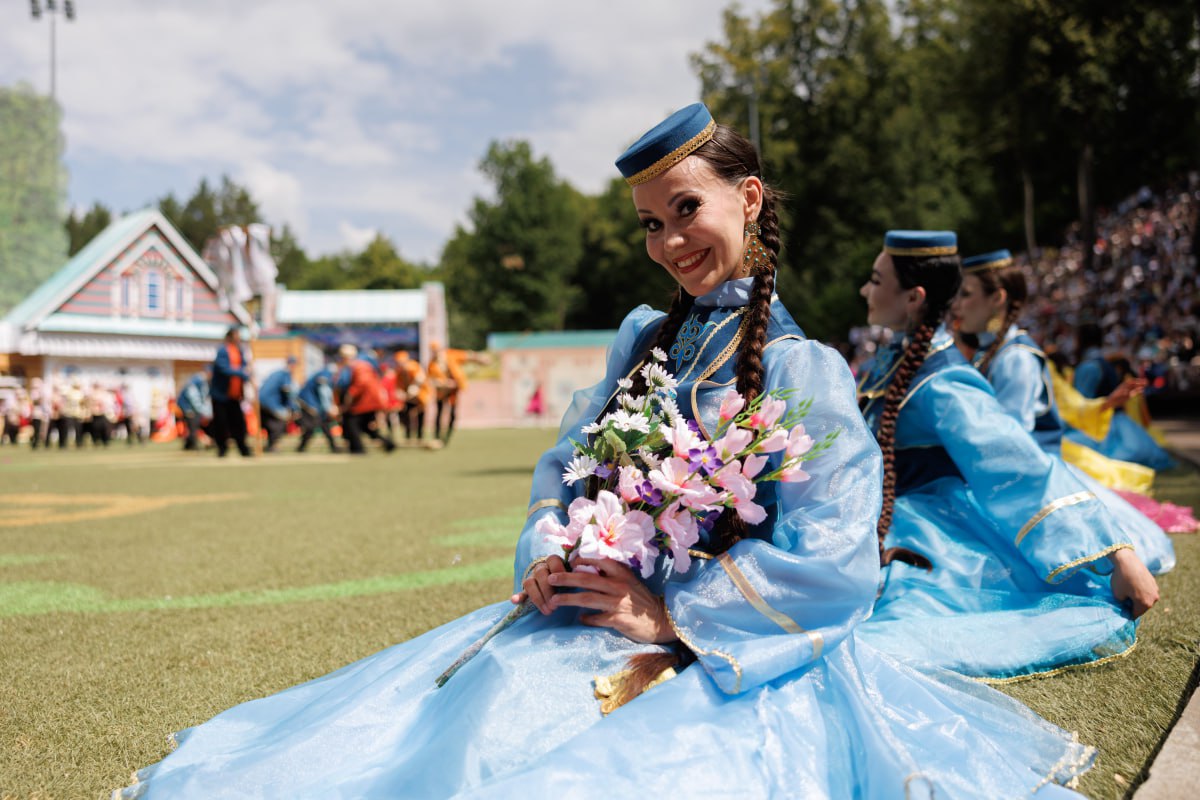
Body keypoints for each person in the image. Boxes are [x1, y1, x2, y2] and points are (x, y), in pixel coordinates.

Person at [116, 105, 1096, 798]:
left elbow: (835, 556)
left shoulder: (805, 372)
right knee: (465, 710)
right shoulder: (643, 336)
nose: (669, 240)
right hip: (588, 607)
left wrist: (673, 610)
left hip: (721, 653)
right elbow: (566, 466)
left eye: (687, 209)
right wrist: (551, 550)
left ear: (748, 198)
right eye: (649, 223)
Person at [854, 230, 1159, 682]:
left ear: (914, 298)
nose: (864, 290)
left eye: (876, 280)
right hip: (885, 513)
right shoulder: (897, 360)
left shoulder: (943, 382)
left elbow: (1018, 465)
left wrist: (1116, 554)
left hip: (926, 526)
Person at [951, 249, 1181, 569]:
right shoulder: (995, 352)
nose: (957, 304)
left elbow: (1010, 436)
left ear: (997, 298)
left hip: (1026, 481)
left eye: (966, 294)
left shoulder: (1015, 357)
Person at [1069, 322, 1176, 471]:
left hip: (1101, 424)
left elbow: (1080, 403)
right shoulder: (1105, 364)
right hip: (1119, 423)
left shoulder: (1089, 367)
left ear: (1081, 340)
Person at [334, 344, 396, 455]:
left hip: (364, 402)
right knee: (365, 427)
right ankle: (388, 444)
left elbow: (361, 384)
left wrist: (349, 396)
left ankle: (358, 449)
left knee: (351, 424)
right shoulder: (360, 366)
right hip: (367, 401)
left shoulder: (359, 366)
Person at [210, 326, 252, 458]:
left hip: (235, 395)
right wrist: (242, 372)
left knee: (239, 423)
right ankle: (222, 448)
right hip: (221, 395)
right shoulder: (223, 350)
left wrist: (248, 374)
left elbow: (244, 366)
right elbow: (223, 368)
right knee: (221, 423)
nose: (238, 338)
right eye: (236, 336)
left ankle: (243, 448)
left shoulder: (240, 351)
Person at [295, 361, 342, 453]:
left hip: (312, 403)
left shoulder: (324, 373)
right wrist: (328, 408)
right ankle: (301, 447)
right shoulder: (326, 374)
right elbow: (323, 392)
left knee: (323, 426)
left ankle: (333, 447)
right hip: (309, 403)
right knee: (312, 427)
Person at [426, 340, 465, 443]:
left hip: (453, 392)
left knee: (452, 413)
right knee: (439, 413)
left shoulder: (450, 357)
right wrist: (444, 383)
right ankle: (437, 436)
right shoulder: (431, 364)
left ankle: (447, 436)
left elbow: (466, 357)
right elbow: (430, 380)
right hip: (441, 392)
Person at [258, 357, 298, 453]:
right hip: (271, 402)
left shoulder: (276, 373)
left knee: (269, 423)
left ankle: (268, 445)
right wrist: (293, 408)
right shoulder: (285, 375)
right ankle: (273, 446)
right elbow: (287, 391)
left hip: (260, 401)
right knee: (282, 421)